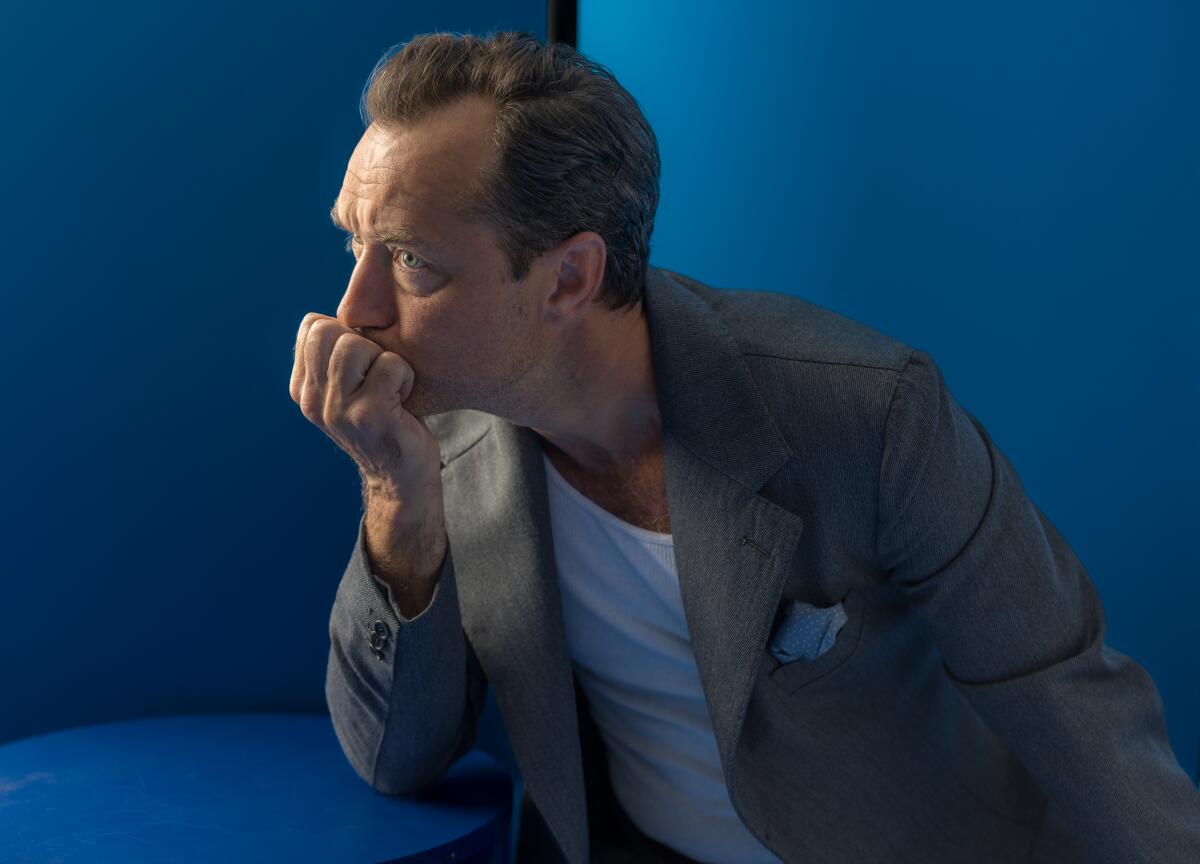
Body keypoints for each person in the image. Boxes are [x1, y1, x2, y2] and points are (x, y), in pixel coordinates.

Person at [290, 29, 1200, 864]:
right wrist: (394, 499)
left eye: (412, 262)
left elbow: (1073, 704)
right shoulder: (432, 431)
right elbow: (394, 760)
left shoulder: (868, 413)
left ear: (570, 275)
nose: (355, 311)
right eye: (354, 246)